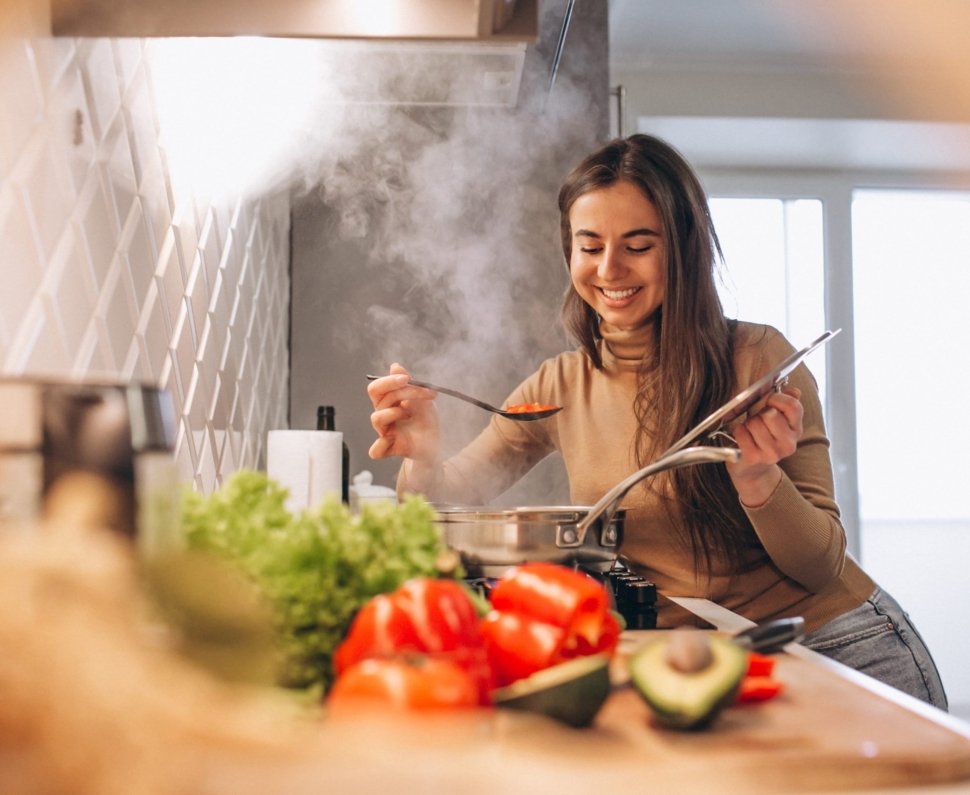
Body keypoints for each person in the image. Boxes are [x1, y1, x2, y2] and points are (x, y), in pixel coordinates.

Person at [366, 133, 948, 710]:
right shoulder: (559, 385)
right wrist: (422, 455)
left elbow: (821, 567)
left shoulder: (756, 360)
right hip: (700, 661)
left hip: (834, 646)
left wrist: (759, 480)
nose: (609, 268)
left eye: (638, 245)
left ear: (683, 248)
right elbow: (438, 508)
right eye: (589, 245)